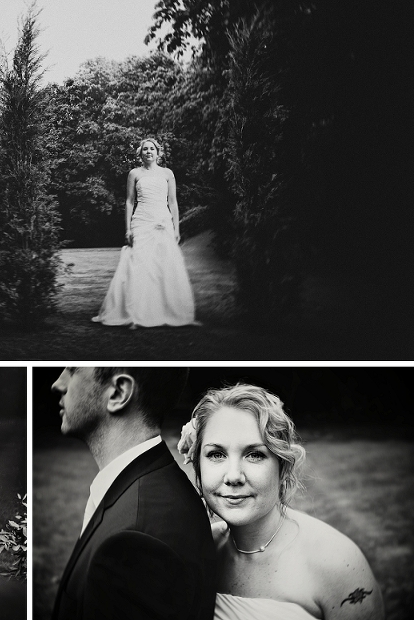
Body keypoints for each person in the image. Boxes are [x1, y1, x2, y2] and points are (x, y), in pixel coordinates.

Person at [178, 383, 385, 620]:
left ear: (283, 467)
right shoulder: (200, 552)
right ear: (198, 466)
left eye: (255, 455)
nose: (233, 476)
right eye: (216, 454)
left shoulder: (337, 563)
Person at [51, 367, 216, 620]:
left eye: (73, 370)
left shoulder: (135, 543)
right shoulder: (148, 486)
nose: (58, 384)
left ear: (118, 392)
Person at [92, 137, 196, 328]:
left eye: (152, 149)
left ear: (158, 153)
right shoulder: (134, 173)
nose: (149, 152)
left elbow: (173, 202)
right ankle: (136, 314)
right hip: (141, 221)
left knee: (165, 264)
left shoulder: (167, 173)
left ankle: (167, 311)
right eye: (145, 149)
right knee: (139, 265)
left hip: (162, 220)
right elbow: (129, 202)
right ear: (140, 153)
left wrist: (176, 228)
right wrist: (128, 229)